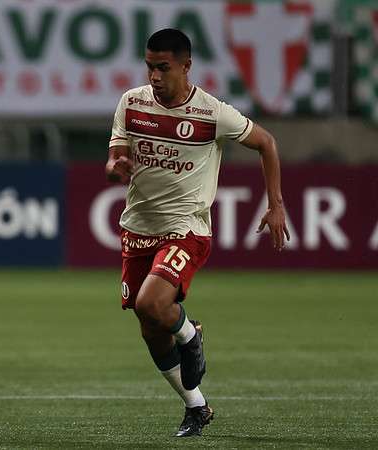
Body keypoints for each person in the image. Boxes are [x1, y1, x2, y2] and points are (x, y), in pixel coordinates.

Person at [105, 28, 289, 437]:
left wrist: (275, 204)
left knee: (153, 303)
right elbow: (115, 155)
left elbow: (267, 143)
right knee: (149, 325)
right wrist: (115, 166)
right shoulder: (131, 103)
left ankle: (190, 336)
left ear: (186, 66)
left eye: (163, 68)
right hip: (138, 228)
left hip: (187, 228)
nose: (154, 75)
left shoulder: (212, 113)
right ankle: (196, 406)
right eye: (150, 66)